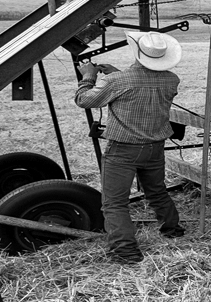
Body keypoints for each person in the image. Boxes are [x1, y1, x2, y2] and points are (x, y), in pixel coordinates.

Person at [74, 32, 186, 263]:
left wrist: (88, 76)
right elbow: (141, 88)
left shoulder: (118, 81)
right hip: (155, 147)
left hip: (123, 150)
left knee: (114, 203)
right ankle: (173, 231)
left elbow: (84, 100)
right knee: (157, 191)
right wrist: (116, 74)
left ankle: (126, 252)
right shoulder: (171, 79)